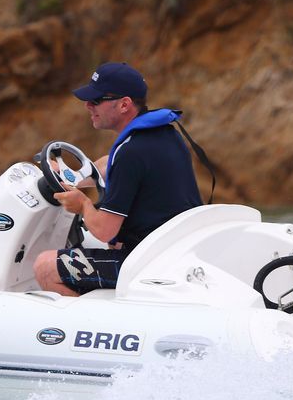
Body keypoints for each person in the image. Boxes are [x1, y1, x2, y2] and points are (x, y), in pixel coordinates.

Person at [32, 62, 203, 295]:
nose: (88, 105)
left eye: (96, 100)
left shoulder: (131, 153)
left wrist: (83, 204)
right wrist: (69, 175)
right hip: (174, 249)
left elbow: (105, 231)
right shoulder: (165, 134)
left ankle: (91, 318)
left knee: (45, 266)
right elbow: (107, 166)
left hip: (146, 263)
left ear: (124, 104)